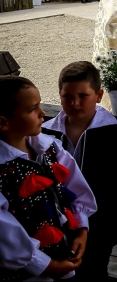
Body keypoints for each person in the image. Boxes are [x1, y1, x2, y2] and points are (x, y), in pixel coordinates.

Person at [41, 61, 117, 279]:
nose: (74, 102)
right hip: (54, 221)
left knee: (94, 270)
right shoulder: (44, 134)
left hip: (102, 220)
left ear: (99, 95)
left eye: (83, 96)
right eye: (67, 96)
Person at [0, 76, 96, 281]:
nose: (42, 113)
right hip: (24, 275)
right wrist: (44, 265)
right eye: (32, 109)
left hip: (62, 254)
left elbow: (76, 186)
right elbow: (3, 232)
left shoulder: (49, 148)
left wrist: (81, 229)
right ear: (3, 122)